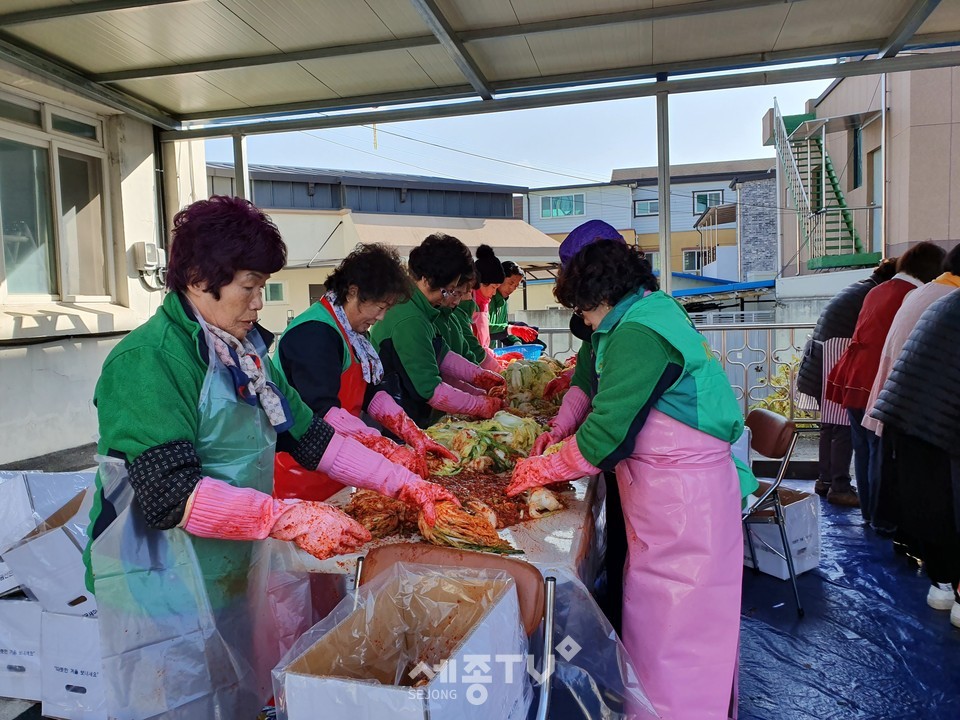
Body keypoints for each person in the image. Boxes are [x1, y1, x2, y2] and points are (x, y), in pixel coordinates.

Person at [83, 197, 456, 719]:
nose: (260, 303)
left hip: (233, 567)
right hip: (160, 582)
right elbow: (170, 495)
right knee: (180, 702)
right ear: (196, 277)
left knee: (237, 693)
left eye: (262, 287)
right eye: (249, 287)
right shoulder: (149, 360)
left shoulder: (246, 355)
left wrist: (402, 484)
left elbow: (310, 439)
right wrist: (285, 514)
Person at [508, 238, 755, 720]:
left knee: (679, 632)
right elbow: (597, 399)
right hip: (668, 500)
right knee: (656, 621)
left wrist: (541, 468)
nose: (587, 323)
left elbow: (604, 438)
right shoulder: (645, 313)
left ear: (601, 297)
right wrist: (558, 435)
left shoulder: (639, 334)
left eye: (584, 311)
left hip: (687, 509)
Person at [271, 243, 458, 496]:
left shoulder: (355, 333)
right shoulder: (315, 333)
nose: (381, 317)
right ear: (352, 292)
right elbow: (323, 412)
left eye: (386, 309)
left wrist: (411, 432)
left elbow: (371, 392)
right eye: (380, 307)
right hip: (299, 475)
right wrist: (387, 448)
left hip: (343, 467)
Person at [826, 242, 946, 519]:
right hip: (878, 385)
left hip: (854, 379)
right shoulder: (915, 295)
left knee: (864, 452)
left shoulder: (877, 291)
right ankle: (882, 521)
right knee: (879, 457)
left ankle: (870, 515)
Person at [871, 290, 960, 627]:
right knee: (949, 508)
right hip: (939, 423)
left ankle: (942, 585)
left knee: (933, 506)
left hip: (907, 418)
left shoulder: (944, 301)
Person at [861, 245, 960, 536]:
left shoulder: (920, 292)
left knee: (881, 463)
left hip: (892, 392)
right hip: (926, 407)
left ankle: (881, 523)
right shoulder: (948, 297)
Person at [370, 233, 505, 427]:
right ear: (427, 279)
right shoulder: (410, 318)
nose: (450, 299)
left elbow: (443, 356)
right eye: (448, 291)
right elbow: (430, 388)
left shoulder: (421, 308)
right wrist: (480, 405)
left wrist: (485, 380)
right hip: (395, 424)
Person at [796, 258, 898, 505]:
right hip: (833, 362)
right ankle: (840, 486)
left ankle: (826, 481)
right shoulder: (874, 293)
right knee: (843, 427)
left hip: (820, 363)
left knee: (830, 426)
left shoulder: (858, 287)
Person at [489, 261, 539, 347]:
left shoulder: (503, 303)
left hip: (488, 351)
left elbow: (503, 326)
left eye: (516, 286)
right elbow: (483, 328)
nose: (512, 288)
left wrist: (516, 341)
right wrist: (512, 329)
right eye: (511, 283)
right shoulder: (487, 299)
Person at [469, 244, 504, 359]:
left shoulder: (485, 302)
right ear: (480, 283)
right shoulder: (467, 301)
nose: (494, 293)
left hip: (483, 358)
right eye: (493, 287)